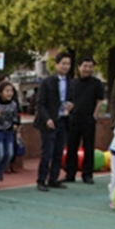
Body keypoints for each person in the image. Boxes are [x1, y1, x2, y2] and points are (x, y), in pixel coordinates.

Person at [34, 52, 74, 191]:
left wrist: (71, 105)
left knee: (58, 152)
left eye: (68, 64)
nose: (65, 66)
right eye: (63, 63)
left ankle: (53, 178)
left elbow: (71, 99)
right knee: (47, 152)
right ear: (56, 64)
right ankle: (41, 179)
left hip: (63, 119)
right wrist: (47, 119)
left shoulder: (70, 81)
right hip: (49, 121)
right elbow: (40, 103)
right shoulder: (47, 82)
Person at [64, 56, 106, 184]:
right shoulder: (72, 83)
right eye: (85, 66)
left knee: (89, 147)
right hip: (73, 118)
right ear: (79, 67)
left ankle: (87, 174)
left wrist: (95, 116)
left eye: (90, 66)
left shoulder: (97, 83)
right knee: (71, 147)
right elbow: (67, 101)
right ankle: (70, 173)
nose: (87, 69)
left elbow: (100, 102)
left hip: (88, 118)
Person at [0, 80, 20, 185]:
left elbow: (16, 116)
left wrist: (15, 123)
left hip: (9, 131)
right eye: (7, 91)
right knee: (0, 154)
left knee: (9, 153)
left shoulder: (13, 104)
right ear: (1, 93)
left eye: (11, 91)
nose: (10, 93)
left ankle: (0, 172)